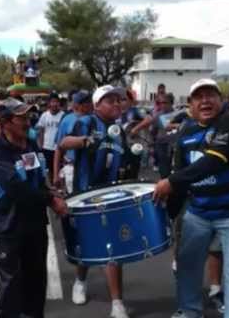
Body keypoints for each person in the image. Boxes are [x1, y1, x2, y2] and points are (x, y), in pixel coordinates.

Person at [154, 78, 229, 318]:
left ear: (221, 100)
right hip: (199, 212)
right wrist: (165, 215)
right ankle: (189, 312)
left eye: (211, 95)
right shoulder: (185, 133)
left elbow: (215, 159)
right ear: (190, 104)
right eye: (199, 97)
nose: (205, 101)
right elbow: (180, 178)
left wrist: (170, 182)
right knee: (187, 266)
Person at [0, 97, 67, 318]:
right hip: (8, 227)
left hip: (35, 224)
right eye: (22, 118)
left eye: (28, 116)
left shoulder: (30, 144)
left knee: (37, 281)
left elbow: (37, 177)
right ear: (6, 122)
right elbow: (15, 186)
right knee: (11, 286)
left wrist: (52, 189)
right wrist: (50, 199)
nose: (28, 122)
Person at [59, 85, 131, 318]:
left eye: (118, 101)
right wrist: (84, 141)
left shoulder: (119, 130)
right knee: (86, 245)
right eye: (110, 101)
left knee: (113, 248)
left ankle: (117, 303)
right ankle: (80, 280)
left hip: (111, 196)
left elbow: (125, 161)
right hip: (85, 195)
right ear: (98, 105)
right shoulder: (87, 122)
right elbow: (64, 143)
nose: (116, 104)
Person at [52, 90, 93, 191]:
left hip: (90, 167)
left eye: (90, 101)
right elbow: (59, 148)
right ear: (77, 105)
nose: (90, 104)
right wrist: (55, 174)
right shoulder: (67, 119)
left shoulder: (94, 119)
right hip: (71, 167)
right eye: (86, 102)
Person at [35, 92, 64, 180]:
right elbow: (40, 131)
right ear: (49, 103)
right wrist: (40, 145)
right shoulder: (44, 115)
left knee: (60, 169)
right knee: (48, 170)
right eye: (52, 102)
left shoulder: (63, 115)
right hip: (46, 147)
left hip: (59, 148)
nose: (54, 104)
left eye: (56, 102)